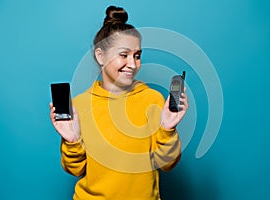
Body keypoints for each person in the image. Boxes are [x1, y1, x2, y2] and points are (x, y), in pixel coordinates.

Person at [49, 5, 189, 200]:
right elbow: (76, 169)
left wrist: (167, 130)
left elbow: (167, 164)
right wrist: (71, 141)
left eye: (137, 56)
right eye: (124, 55)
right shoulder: (80, 106)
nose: (133, 64)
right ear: (100, 56)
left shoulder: (153, 99)